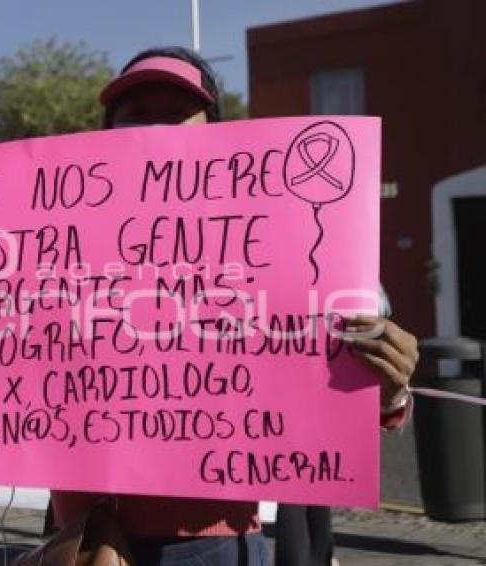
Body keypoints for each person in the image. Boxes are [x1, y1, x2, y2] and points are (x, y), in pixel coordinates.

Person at [48, 46, 418, 566]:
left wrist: (388, 391)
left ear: (217, 134)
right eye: (135, 117)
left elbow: (327, 382)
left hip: (208, 543)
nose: (156, 131)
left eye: (176, 116)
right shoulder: (52, 241)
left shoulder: (278, 242)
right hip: (80, 541)